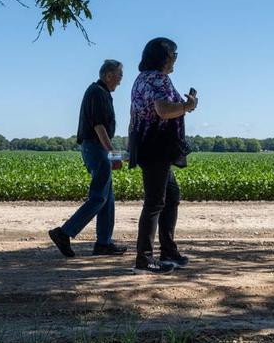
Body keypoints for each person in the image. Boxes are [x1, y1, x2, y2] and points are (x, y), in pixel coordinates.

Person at [128, 38, 198, 275]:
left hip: (150, 146)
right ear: (163, 57)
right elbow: (163, 110)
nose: (176, 58)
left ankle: (168, 251)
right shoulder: (157, 79)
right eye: (174, 54)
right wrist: (187, 107)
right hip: (156, 146)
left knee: (171, 195)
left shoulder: (143, 79)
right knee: (155, 202)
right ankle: (144, 259)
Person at [48, 60, 128, 258]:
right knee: (99, 196)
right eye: (120, 75)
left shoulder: (100, 92)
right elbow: (99, 127)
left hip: (96, 147)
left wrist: (115, 154)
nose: (121, 80)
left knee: (107, 198)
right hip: (96, 148)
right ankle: (64, 232)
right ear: (109, 75)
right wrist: (112, 154)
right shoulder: (97, 93)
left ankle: (103, 243)